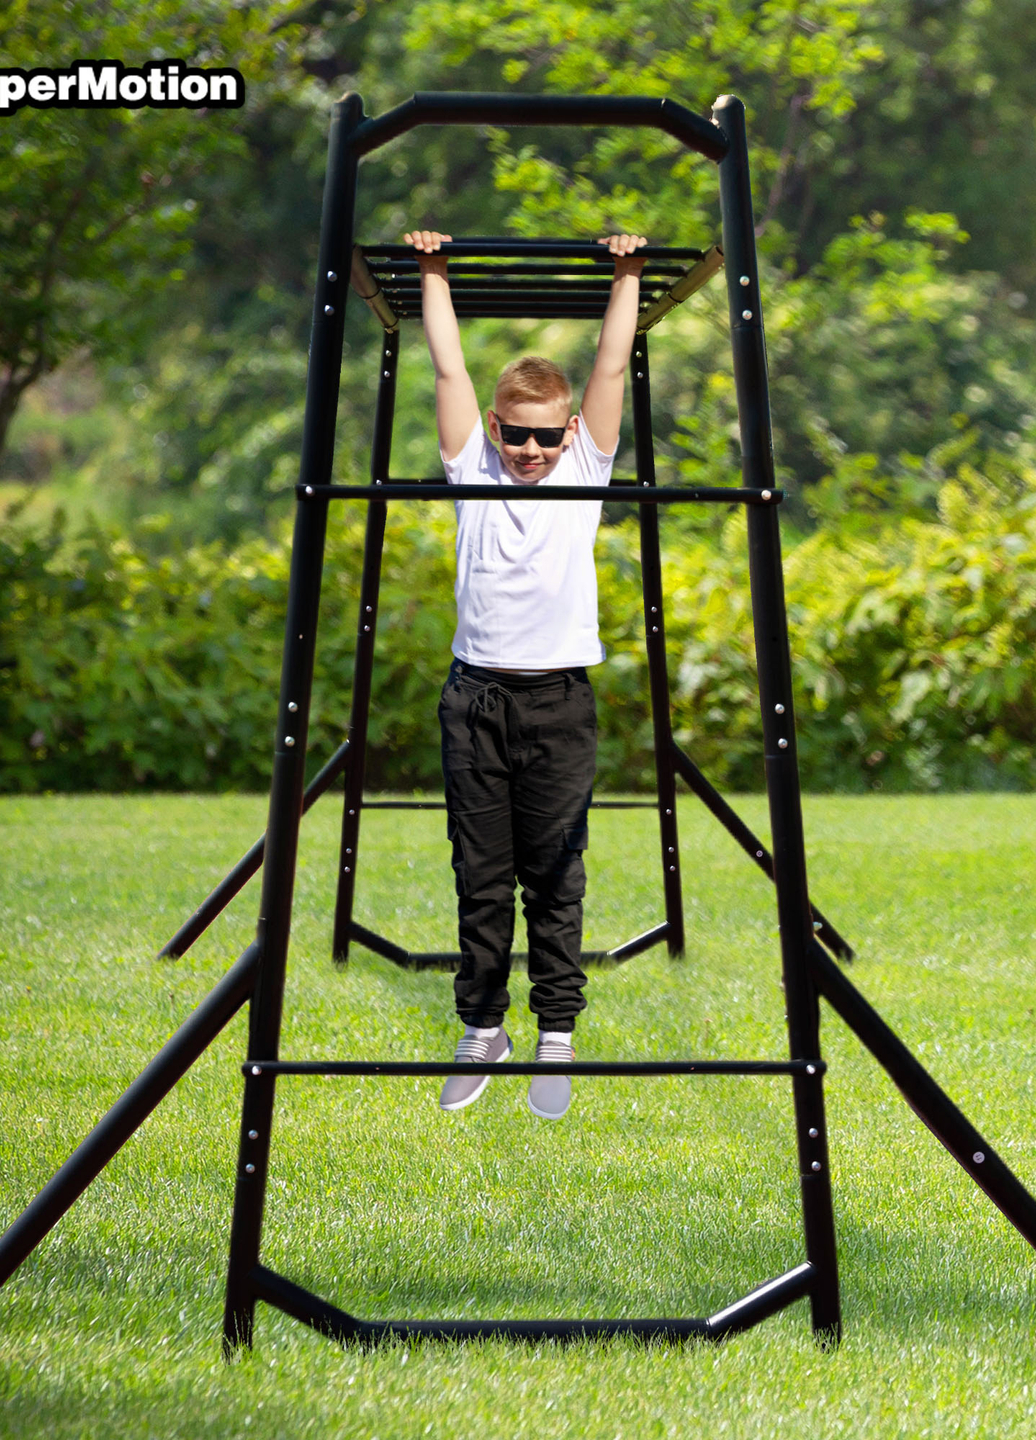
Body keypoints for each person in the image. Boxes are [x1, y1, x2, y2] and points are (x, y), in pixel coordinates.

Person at [404, 227, 647, 1121]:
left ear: (571, 433)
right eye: (520, 436)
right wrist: (434, 272)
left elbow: (612, 370)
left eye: (549, 437)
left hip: (557, 701)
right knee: (479, 870)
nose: (533, 452)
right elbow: (449, 371)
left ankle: (557, 1030)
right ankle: (481, 1025)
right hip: (474, 698)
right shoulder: (473, 466)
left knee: (554, 869)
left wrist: (626, 275)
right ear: (497, 428)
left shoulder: (586, 464)